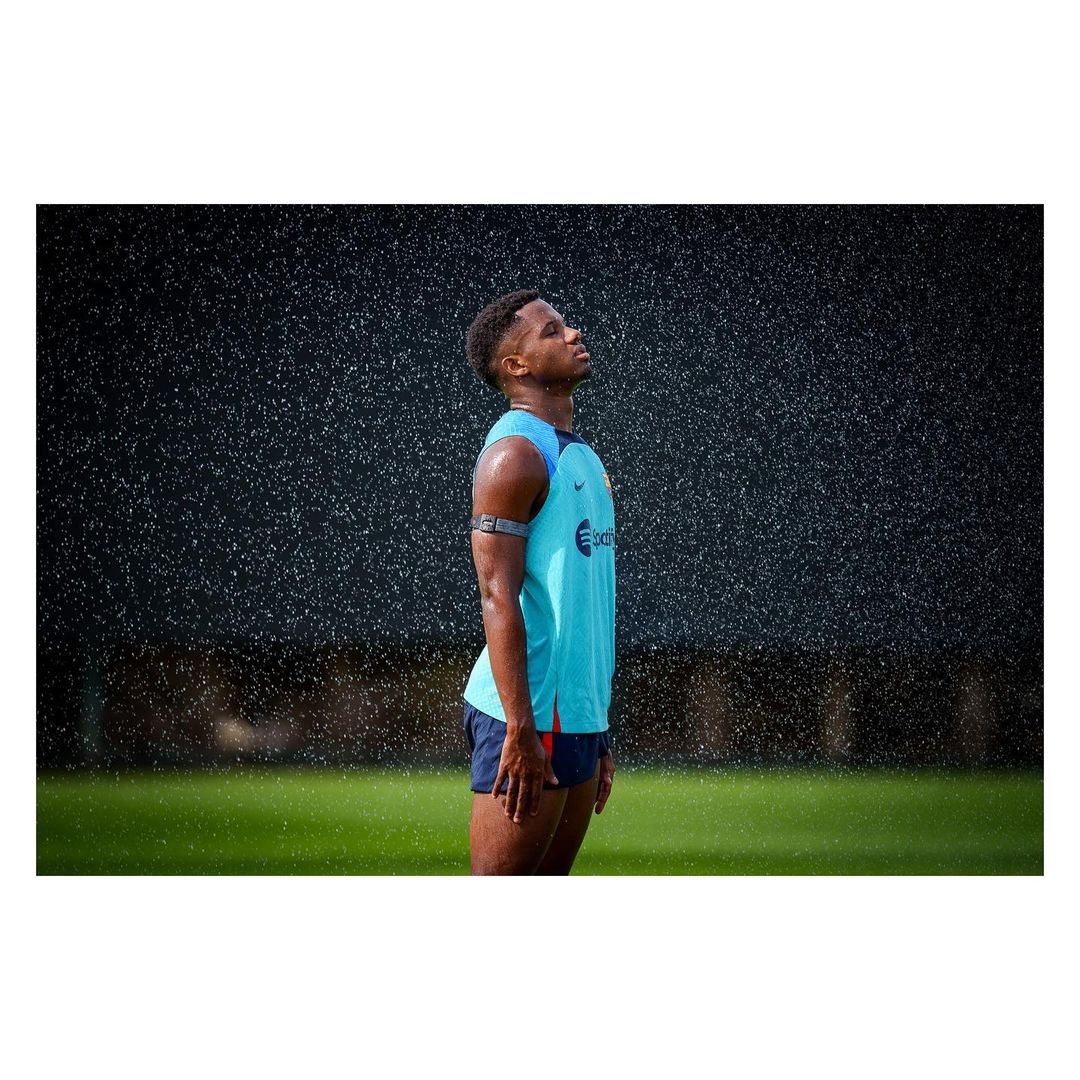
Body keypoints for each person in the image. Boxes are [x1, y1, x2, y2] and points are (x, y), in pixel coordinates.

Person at [462, 289, 616, 875]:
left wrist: (597, 727)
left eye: (565, 325)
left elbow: (585, 606)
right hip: (528, 718)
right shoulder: (515, 456)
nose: (573, 334)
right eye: (551, 331)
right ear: (516, 366)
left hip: (576, 716)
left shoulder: (582, 456)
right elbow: (496, 596)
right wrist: (520, 729)